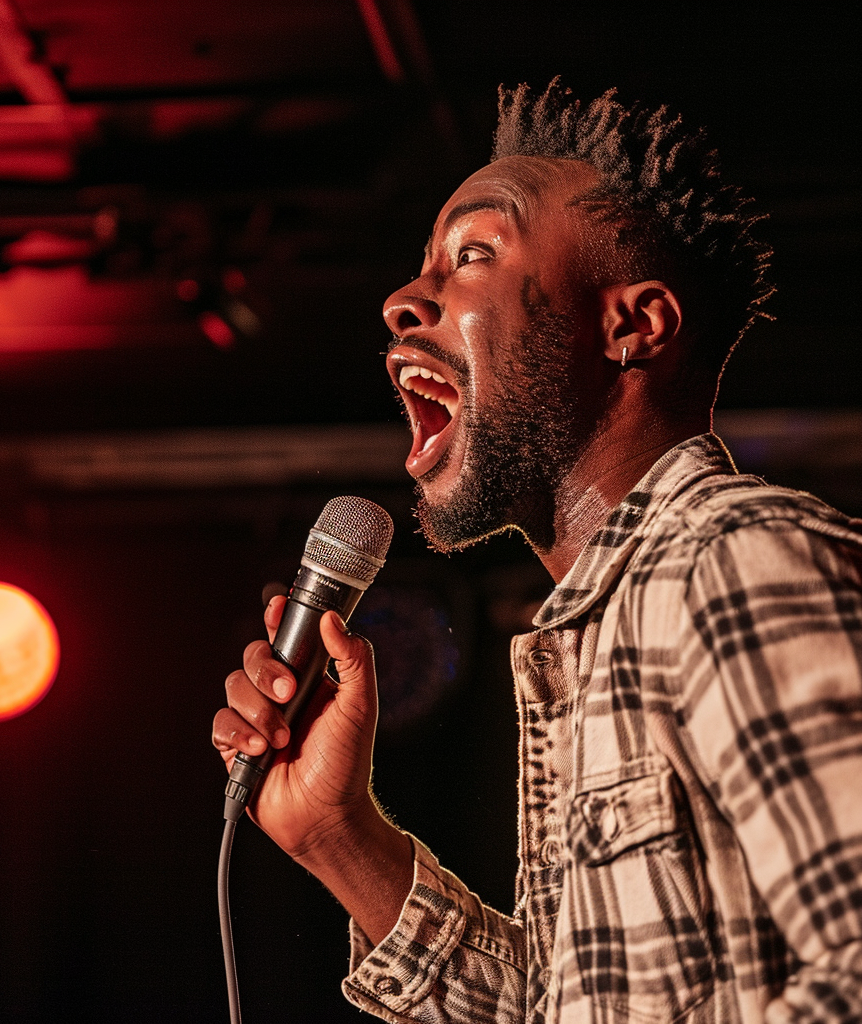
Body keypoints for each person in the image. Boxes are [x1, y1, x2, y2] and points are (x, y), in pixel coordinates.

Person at [212, 80, 862, 1022]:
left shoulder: (733, 564)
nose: (403, 300)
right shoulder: (599, 638)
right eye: (424, 263)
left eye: (472, 254)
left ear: (632, 326)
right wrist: (337, 834)